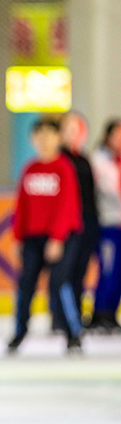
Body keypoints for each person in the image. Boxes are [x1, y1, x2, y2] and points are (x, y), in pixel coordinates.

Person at [8, 118, 83, 355]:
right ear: (33, 139)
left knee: (59, 283)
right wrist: (18, 237)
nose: (45, 140)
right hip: (32, 237)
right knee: (25, 284)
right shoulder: (30, 169)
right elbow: (22, 207)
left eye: (50, 135)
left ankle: (73, 334)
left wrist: (57, 238)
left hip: (62, 237)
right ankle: (19, 332)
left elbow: (67, 206)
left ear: (58, 138)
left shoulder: (64, 168)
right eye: (40, 135)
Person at [54, 112, 99, 330]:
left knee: (80, 272)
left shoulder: (84, 159)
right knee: (64, 272)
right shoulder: (58, 160)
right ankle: (61, 319)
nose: (73, 134)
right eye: (68, 130)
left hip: (88, 222)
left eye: (77, 130)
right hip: (68, 225)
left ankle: (76, 316)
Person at [89, 119, 121, 333]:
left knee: (118, 271)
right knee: (107, 269)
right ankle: (99, 312)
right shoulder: (97, 160)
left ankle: (111, 314)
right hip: (107, 223)